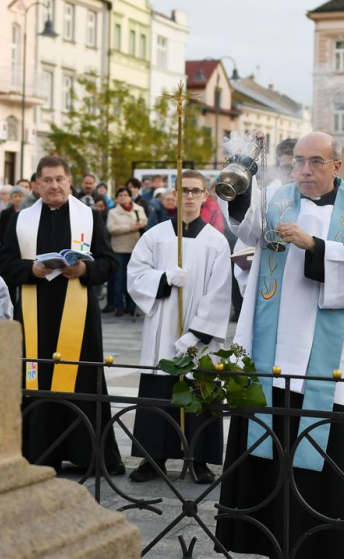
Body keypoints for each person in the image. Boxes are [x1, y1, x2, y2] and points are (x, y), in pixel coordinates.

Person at [215, 132, 344, 558]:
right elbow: (244, 223)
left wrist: (314, 246)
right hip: (271, 352)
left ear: (336, 167)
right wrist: (242, 171)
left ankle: (319, 544)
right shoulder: (275, 198)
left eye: (315, 162)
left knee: (322, 460)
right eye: (298, 162)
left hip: (328, 361)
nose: (304, 171)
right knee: (265, 457)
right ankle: (262, 540)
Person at [0, 156, 124, 474]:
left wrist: (84, 268)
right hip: (34, 312)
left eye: (60, 179)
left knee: (82, 379)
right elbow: (6, 263)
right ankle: (38, 452)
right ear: (37, 184)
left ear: (70, 182)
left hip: (78, 317)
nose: (54, 185)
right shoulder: (21, 219)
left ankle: (88, 453)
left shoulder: (89, 217)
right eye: (47, 180)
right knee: (34, 377)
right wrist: (33, 269)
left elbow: (109, 262)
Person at [126, 170, 232, 484]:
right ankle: (153, 456)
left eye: (195, 191)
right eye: (183, 190)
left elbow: (220, 292)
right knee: (159, 390)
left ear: (206, 195)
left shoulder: (216, 242)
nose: (188, 196)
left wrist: (197, 334)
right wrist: (164, 278)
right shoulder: (155, 236)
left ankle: (199, 459)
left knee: (199, 390)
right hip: (162, 326)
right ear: (174, 193)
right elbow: (135, 275)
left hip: (197, 337)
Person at [106, 186, 147, 317]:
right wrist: (130, 227)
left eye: (125, 194)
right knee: (119, 279)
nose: (123, 197)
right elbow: (111, 228)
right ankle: (119, 306)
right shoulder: (113, 212)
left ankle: (132, 306)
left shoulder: (139, 209)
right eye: (120, 195)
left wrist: (141, 225)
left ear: (130, 197)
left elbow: (145, 221)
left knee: (133, 279)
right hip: (119, 249)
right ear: (117, 198)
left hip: (135, 249)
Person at [0, 185, 28, 258]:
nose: (17, 199)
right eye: (15, 196)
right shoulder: (5, 213)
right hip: (7, 247)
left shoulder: (28, 212)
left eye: (20, 196)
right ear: (11, 198)